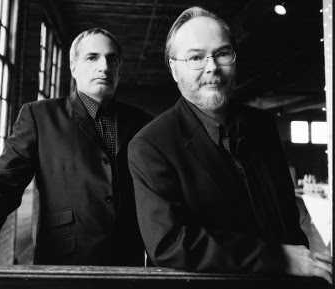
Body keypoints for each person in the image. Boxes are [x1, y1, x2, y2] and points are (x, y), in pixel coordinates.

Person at [128, 7, 332, 284]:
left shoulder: (262, 125)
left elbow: (287, 218)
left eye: (222, 53)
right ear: (174, 69)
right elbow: (171, 243)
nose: (212, 66)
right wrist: (278, 257)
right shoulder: (150, 145)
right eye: (196, 57)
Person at [0, 28, 152, 282]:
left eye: (112, 59)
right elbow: (0, 184)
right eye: (92, 57)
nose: (104, 67)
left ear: (119, 67)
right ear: (73, 66)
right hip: (62, 265)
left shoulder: (143, 123)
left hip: (128, 265)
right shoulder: (40, 117)